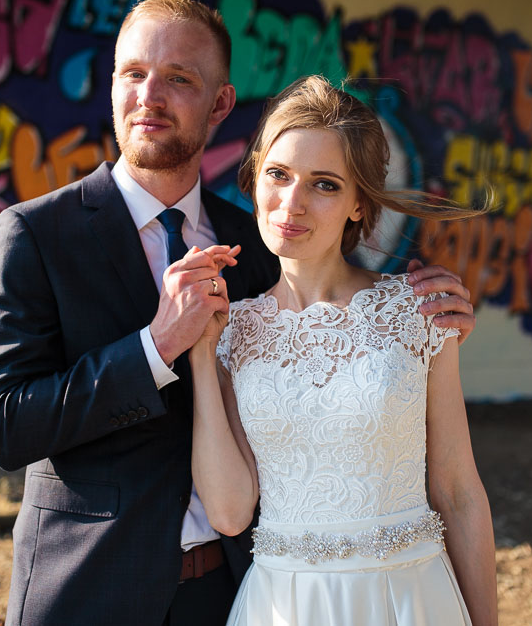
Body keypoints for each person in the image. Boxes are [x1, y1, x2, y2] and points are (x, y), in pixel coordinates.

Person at [0, 0, 479, 626]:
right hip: (91, 587)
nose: (149, 95)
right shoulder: (35, 232)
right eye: (133, 73)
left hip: (236, 588)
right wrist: (154, 348)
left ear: (220, 104)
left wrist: (428, 324)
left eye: (178, 78)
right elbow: (4, 425)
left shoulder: (266, 242)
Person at [186, 75, 497, 625]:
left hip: (408, 600)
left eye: (324, 184)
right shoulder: (235, 331)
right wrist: (202, 359)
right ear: (256, 177)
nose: (292, 203)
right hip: (284, 606)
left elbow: (458, 489)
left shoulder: (419, 312)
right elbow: (231, 513)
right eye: (278, 175)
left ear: (359, 204)